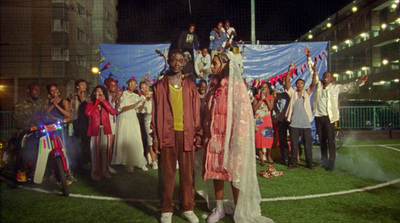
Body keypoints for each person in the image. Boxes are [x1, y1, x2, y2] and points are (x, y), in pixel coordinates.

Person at [203, 52, 273, 223]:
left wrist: (238, 139)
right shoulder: (213, 86)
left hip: (232, 138)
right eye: (212, 63)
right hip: (215, 138)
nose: (211, 66)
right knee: (216, 172)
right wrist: (206, 133)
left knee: (235, 174)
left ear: (225, 65)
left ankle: (238, 208)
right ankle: (219, 208)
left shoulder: (237, 86)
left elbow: (243, 114)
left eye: (215, 63)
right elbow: (208, 113)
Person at [151, 49, 202, 223]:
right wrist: (156, 137)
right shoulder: (160, 86)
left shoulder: (191, 86)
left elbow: (196, 111)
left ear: (184, 62)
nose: (177, 63)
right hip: (167, 134)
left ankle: (187, 207)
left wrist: (198, 133)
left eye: (180, 60)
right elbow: (154, 113)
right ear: (169, 61)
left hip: (187, 134)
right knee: (167, 173)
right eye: (173, 60)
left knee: (187, 174)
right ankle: (166, 208)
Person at [308, 47, 368, 171]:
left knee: (331, 141)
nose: (326, 77)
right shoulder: (319, 85)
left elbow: (348, 86)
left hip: (329, 117)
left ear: (331, 79)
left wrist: (359, 82)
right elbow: (312, 71)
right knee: (322, 141)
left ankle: (331, 164)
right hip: (319, 116)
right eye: (324, 75)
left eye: (328, 76)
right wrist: (308, 58)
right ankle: (323, 161)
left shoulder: (335, 88)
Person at [285, 60, 317, 170]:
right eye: (298, 83)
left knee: (308, 145)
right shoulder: (292, 93)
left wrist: (315, 71)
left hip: (305, 124)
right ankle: (293, 162)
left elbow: (313, 84)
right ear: (296, 85)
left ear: (303, 85)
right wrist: (289, 71)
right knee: (294, 145)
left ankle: (309, 162)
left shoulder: (306, 93)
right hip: (294, 124)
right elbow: (287, 83)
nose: (299, 85)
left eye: (301, 83)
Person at [112, 79, 148, 172]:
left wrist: (142, 102)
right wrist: (136, 103)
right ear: (127, 84)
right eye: (131, 84)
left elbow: (138, 110)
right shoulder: (123, 94)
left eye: (134, 84)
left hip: (133, 118)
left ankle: (138, 161)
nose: (132, 85)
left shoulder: (136, 96)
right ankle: (126, 163)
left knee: (135, 138)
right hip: (124, 118)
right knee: (124, 138)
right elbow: (122, 108)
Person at [13, 84, 46, 182]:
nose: (37, 91)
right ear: (28, 90)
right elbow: (17, 120)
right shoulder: (20, 103)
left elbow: (46, 116)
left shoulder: (41, 103)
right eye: (34, 89)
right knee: (27, 146)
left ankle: (37, 171)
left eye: (38, 90)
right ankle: (22, 170)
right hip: (25, 130)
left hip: (39, 130)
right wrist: (32, 120)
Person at [85, 86, 117, 180]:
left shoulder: (106, 103)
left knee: (106, 150)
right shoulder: (90, 104)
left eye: (101, 92)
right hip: (95, 129)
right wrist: (96, 102)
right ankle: (94, 171)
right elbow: (89, 113)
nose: (99, 93)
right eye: (97, 91)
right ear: (94, 93)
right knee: (94, 151)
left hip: (105, 129)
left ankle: (105, 170)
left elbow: (113, 112)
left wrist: (103, 102)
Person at [69, 79, 91, 169]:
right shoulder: (73, 96)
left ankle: (85, 161)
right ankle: (75, 161)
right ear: (77, 86)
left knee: (85, 141)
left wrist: (83, 100)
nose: (84, 86)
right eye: (82, 84)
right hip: (75, 120)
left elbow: (89, 109)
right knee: (75, 141)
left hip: (85, 121)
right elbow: (70, 109)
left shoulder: (88, 97)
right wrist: (71, 100)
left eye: (85, 85)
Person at [253, 82, 275, 166]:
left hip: (267, 119)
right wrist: (260, 100)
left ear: (268, 89)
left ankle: (268, 155)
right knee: (258, 139)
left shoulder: (271, 97)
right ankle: (261, 158)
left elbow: (270, 108)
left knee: (268, 138)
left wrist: (266, 99)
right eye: (262, 87)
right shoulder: (256, 97)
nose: (263, 89)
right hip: (258, 120)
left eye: (265, 87)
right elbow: (254, 109)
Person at [138, 82, 157, 169]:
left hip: (157, 119)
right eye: (142, 88)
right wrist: (144, 101)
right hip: (148, 120)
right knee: (150, 141)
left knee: (158, 139)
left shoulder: (154, 94)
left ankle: (152, 156)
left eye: (146, 87)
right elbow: (139, 110)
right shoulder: (141, 98)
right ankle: (154, 161)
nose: (145, 89)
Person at [273, 75, 290, 165]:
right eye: (283, 81)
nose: (284, 83)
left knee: (293, 140)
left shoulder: (292, 91)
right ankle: (284, 158)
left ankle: (293, 157)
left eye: (286, 81)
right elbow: (275, 105)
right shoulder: (278, 91)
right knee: (282, 139)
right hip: (281, 118)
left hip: (290, 118)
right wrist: (275, 114)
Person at [106, 79, 122, 173]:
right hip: (107, 119)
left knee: (111, 143)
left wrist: (118, 98)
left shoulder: (115, 95)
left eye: (114, 85)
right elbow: (109, 106)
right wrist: (115, 98)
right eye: (111, 85)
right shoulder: (106, 95)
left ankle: (109, 164)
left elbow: (118, 108)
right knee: (107, 143)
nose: (113, 87)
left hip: (114, 120)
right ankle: (105, 164)